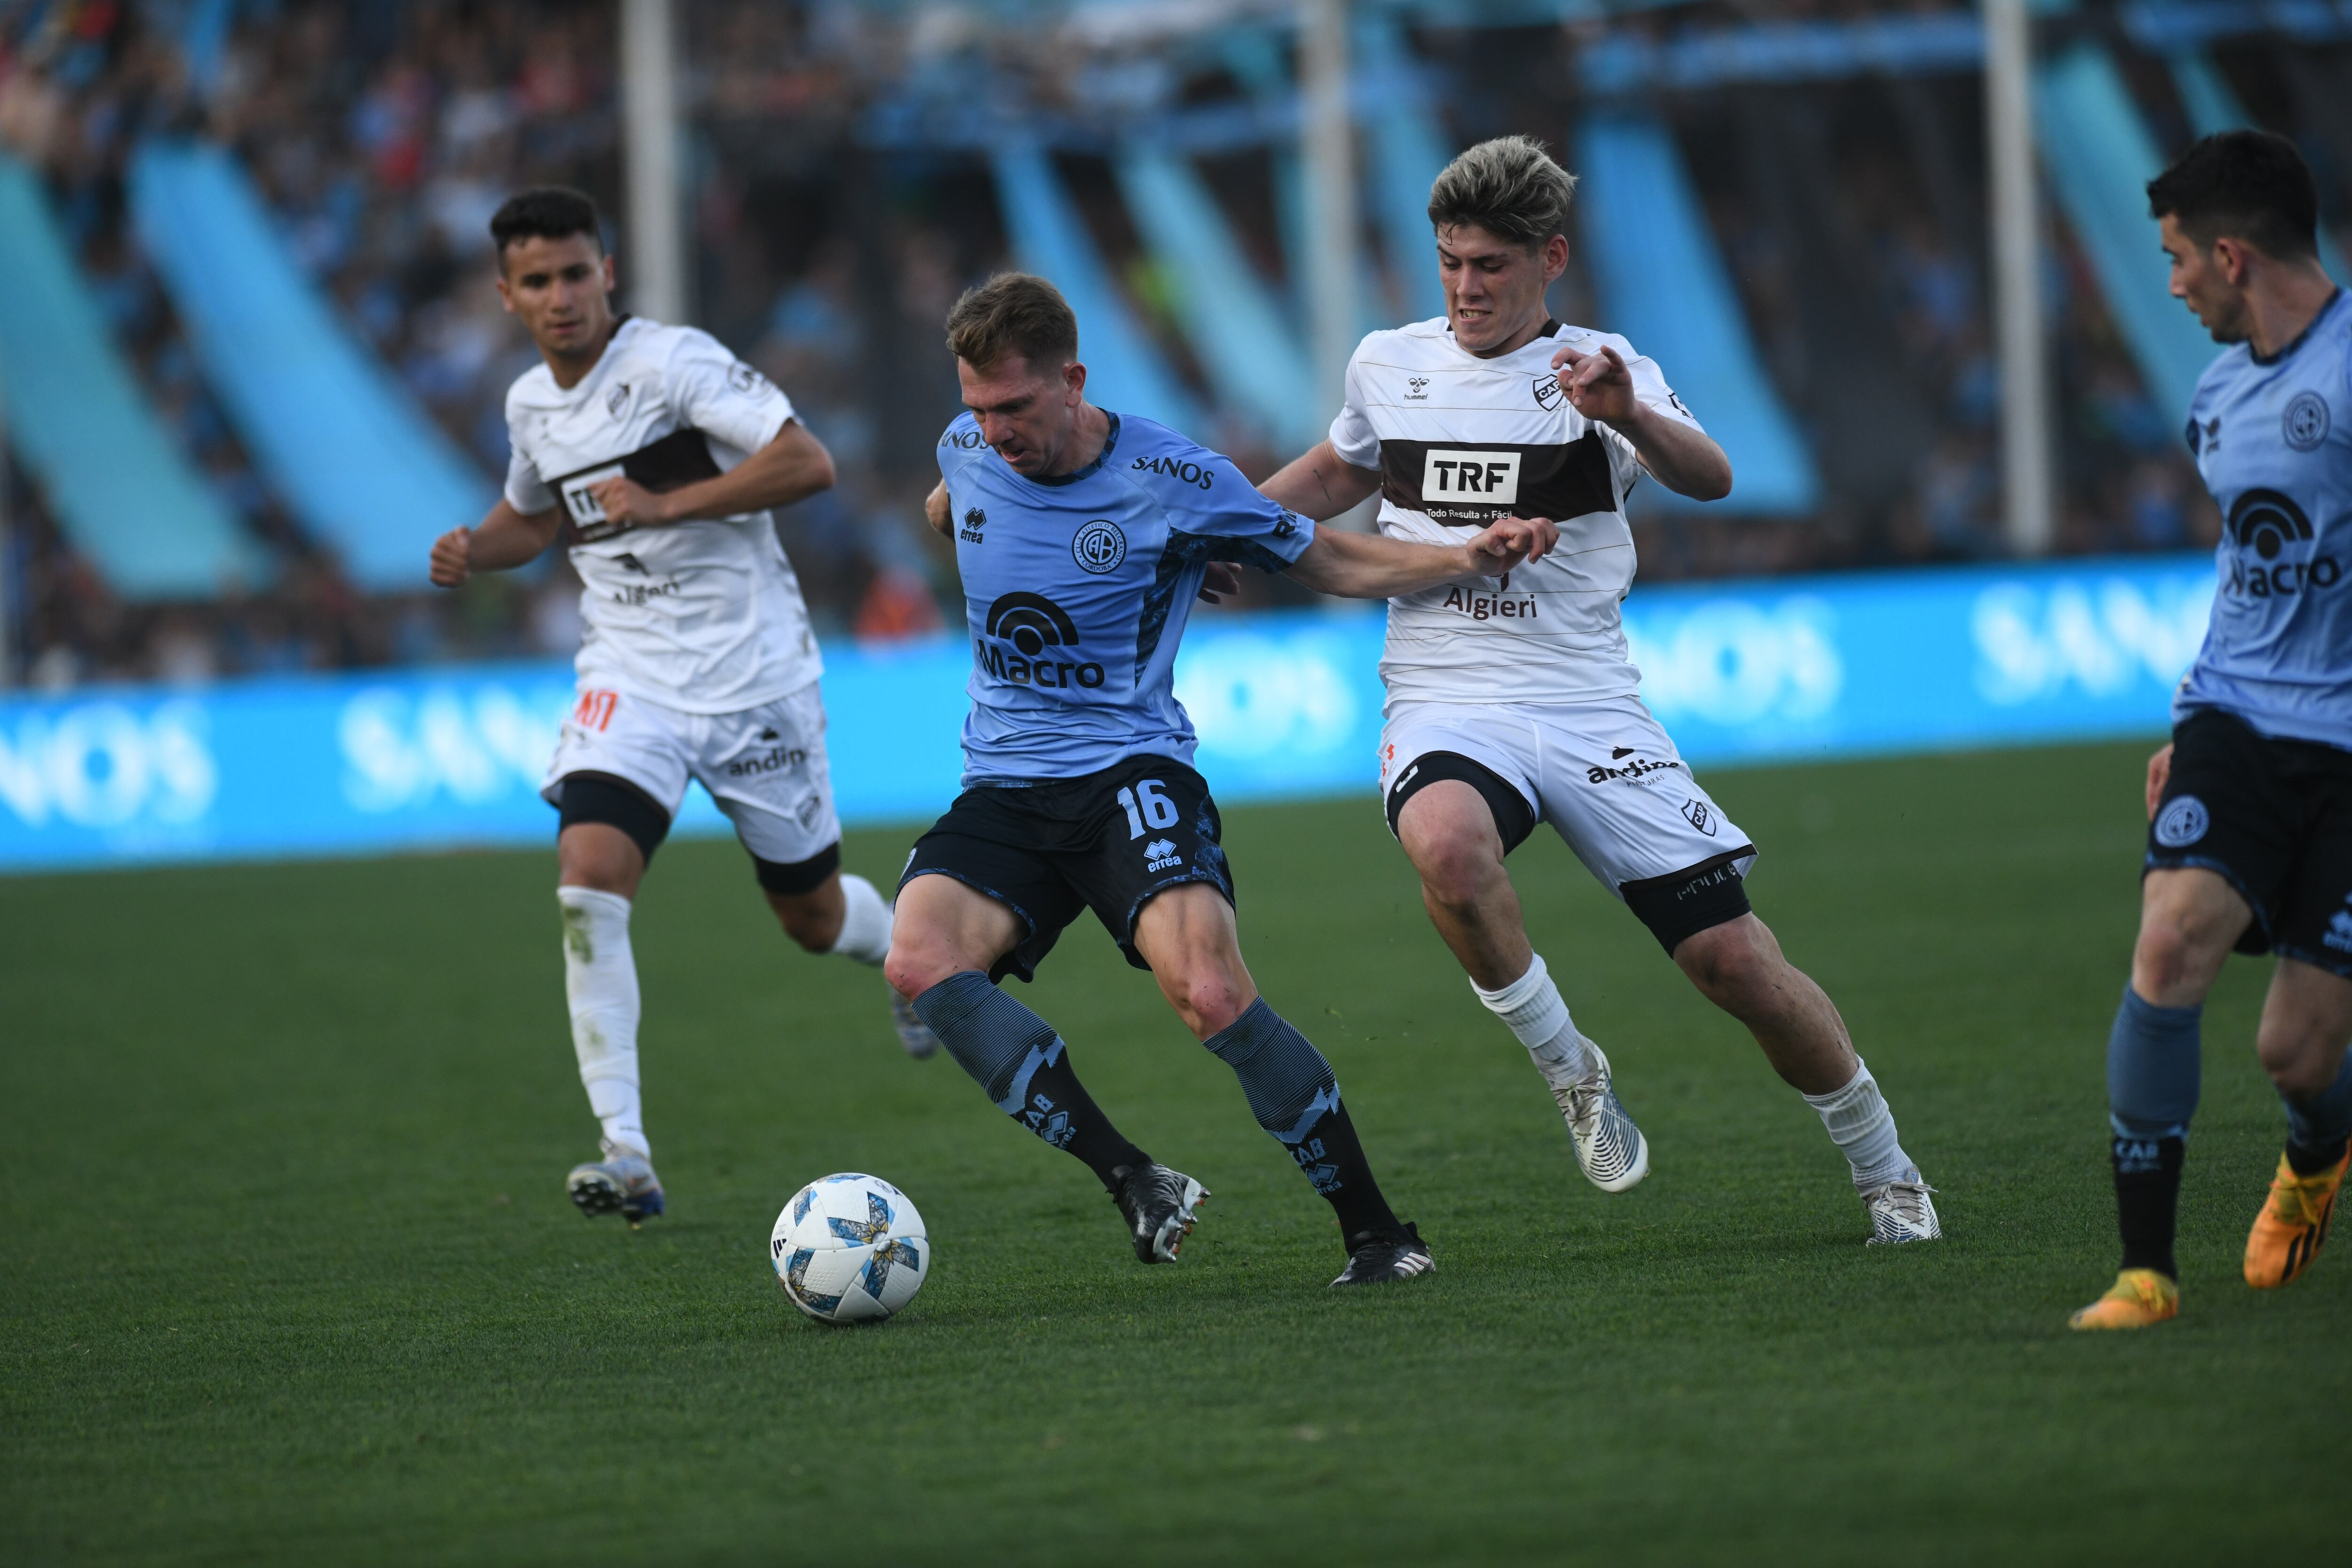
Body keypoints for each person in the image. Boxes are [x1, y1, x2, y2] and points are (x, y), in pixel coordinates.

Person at [1256, 135, 1942, 1244]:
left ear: (1550, 259)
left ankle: (1886, 1165)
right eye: (1450, 262)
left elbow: (1708, 478)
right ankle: (1570, 1066)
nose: (1467, 287)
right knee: (1446, 847)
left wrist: (1626, 413)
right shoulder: (1388, 361)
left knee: (1735, 962)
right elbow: (1340, 469)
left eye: (1490, 265)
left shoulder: (1602, 365)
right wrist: (1227, 528)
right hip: (1444, 691)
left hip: (1585, 702)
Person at [888, 272, 1557, 1285]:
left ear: (1073, 380)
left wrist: (1466, 556)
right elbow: (949, 507)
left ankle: (1380, 1233)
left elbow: (1330, 561)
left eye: (1016, 408)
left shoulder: (1174, 477)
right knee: (919, 964)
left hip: (1130, 772)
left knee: (1206, 991)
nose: (995, 432)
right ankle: (1133, 1178)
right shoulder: (964, 449)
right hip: (1004, 785)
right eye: (978, 409)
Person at [427, 187, 934, 1228]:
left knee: (811, 915)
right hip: (631, 678)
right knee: (588, 877)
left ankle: (902, 951)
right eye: (537, 281)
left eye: (576, 272)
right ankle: (627, 1150)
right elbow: (536, 517)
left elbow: (806, 460)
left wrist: (668, 501)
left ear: (607, 271)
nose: (561, 296)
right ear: (506, 295)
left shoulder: (673, 365)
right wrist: (476, 548)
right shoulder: (531, 406)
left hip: (753, 675)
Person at [2071, 130, 2352, 1329]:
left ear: (2232, 255)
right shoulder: (2217, 396)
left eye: (2180, 258)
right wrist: (2189, 723)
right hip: (2238, 717)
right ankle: (2145, 1272)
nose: (2172, 282)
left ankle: (2316, 1145)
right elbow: (2250, 571)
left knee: (2295, 1048)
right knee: (2170, 940)